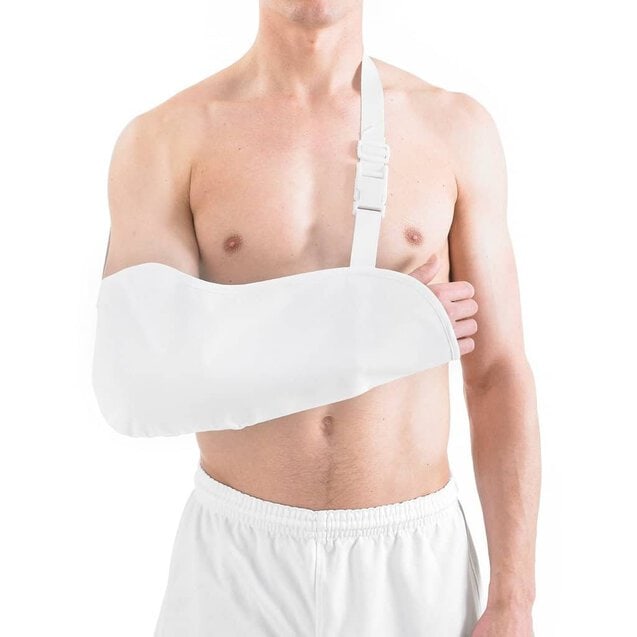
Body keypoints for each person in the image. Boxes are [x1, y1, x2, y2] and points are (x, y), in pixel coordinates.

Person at [99, 1, 540, 635]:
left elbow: (496, 373)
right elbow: (140, 378)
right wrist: (378, 328)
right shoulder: (167, 141)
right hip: (237, 561)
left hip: (411, 559)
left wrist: (514, 599)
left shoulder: (453, 130)